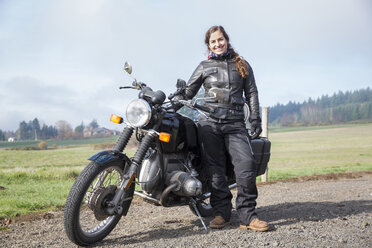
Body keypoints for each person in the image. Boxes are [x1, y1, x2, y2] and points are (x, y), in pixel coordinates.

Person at [173, 25, 268, 231]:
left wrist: (255, 120)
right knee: (215, 171)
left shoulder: (242, 64)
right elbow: (188, 92)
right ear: (209, 45)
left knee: (246, 165)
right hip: (209, 123)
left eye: (220, 39)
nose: (218, 44)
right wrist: (175, 97)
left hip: (235, 123)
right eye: (213, 41)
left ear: (226, 40)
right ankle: (221, 214)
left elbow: (252, 94)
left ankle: (248, 216)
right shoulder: (203, 67)